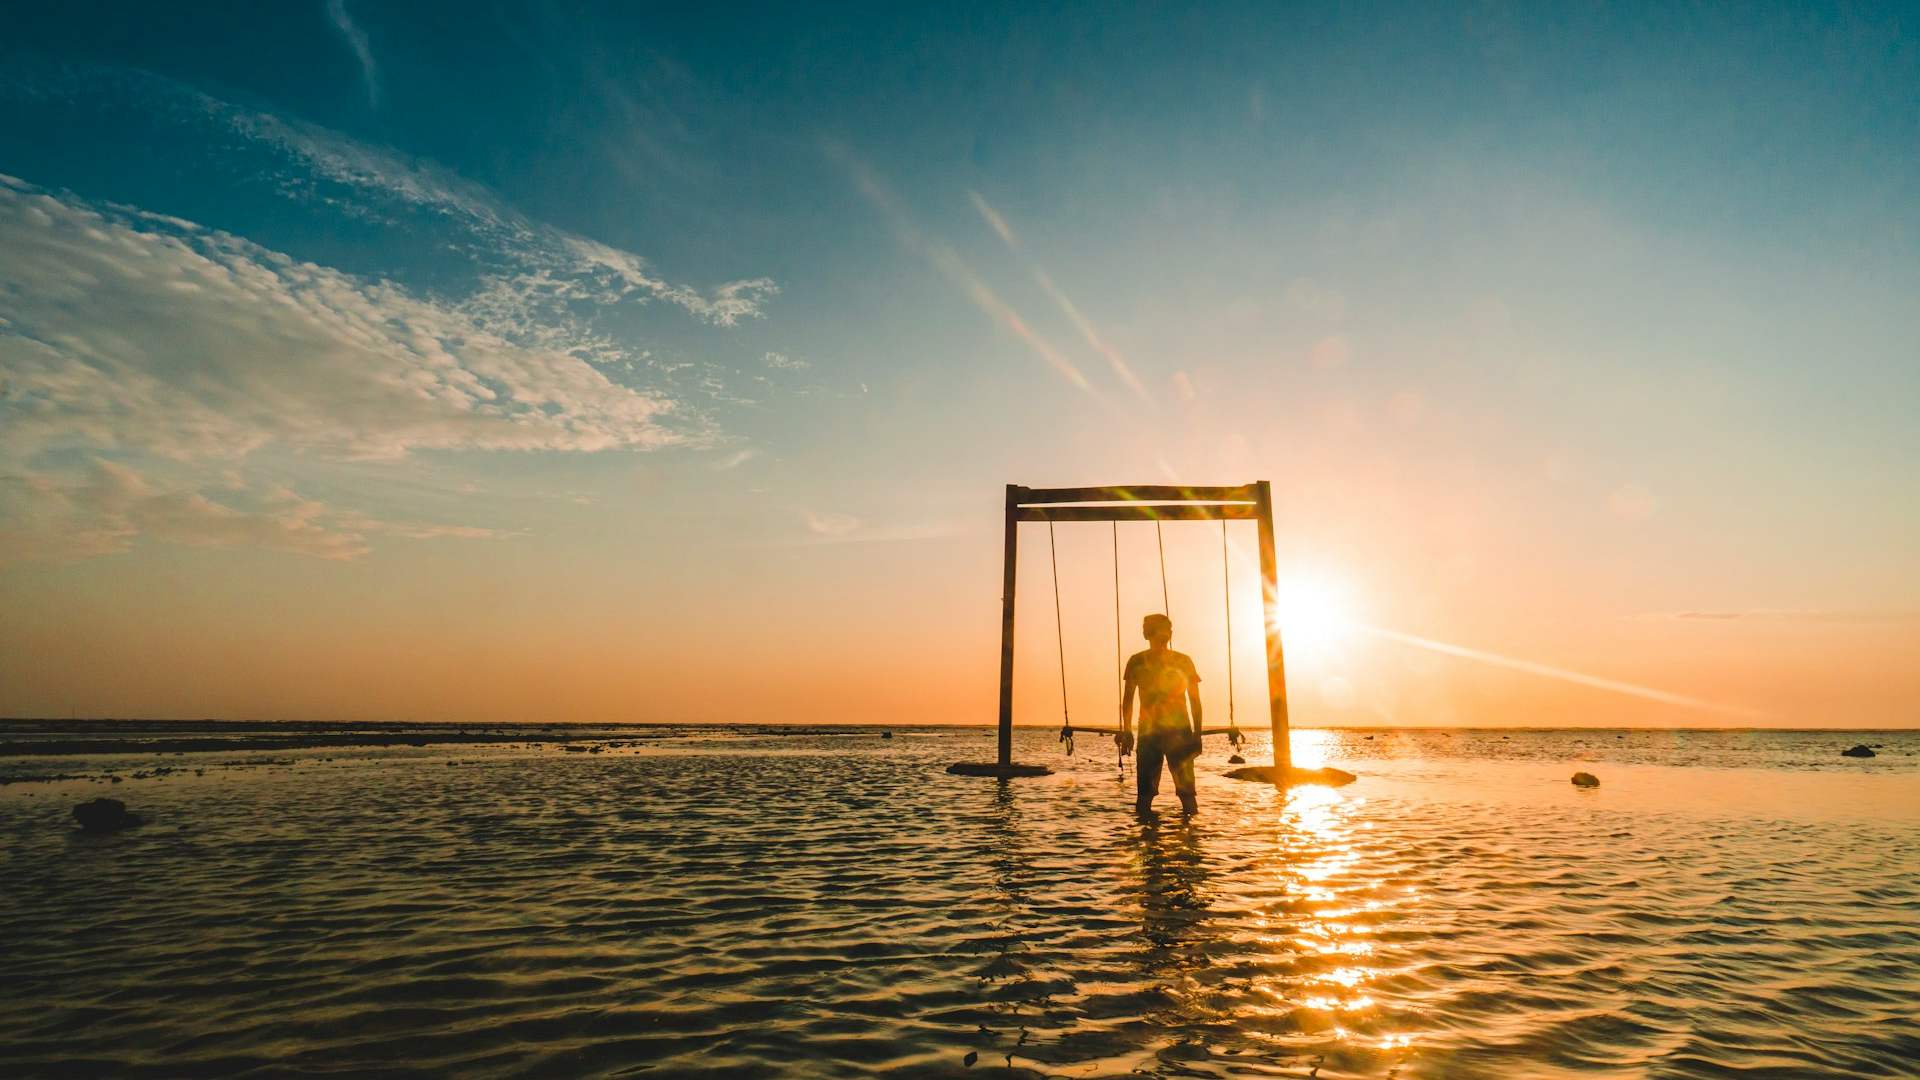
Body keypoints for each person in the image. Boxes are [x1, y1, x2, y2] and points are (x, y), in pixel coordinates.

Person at [1121, 613, 1203, 816]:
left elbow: (1195, 701)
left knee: (1181, 795)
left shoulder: (1179, 661)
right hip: (1162, 732)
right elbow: (1128, 700)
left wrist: (1197, 735)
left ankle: (1150, 840)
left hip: (1165, 733)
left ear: (1145, 633)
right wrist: (1127, 732)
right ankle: (1187, 841)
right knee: (1152, 795)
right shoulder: (1140, 661)